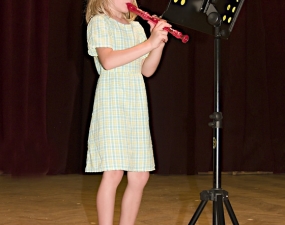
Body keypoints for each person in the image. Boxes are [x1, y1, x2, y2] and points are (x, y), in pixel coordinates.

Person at [85, 0, 171, 224]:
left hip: (136, 103)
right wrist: (149, 43)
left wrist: (158, 43)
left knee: (140, 176)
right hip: (112, 102)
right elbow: (109, 61)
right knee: (113, 173)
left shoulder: (135, 27)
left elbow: (147, 70)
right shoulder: (99, 22)